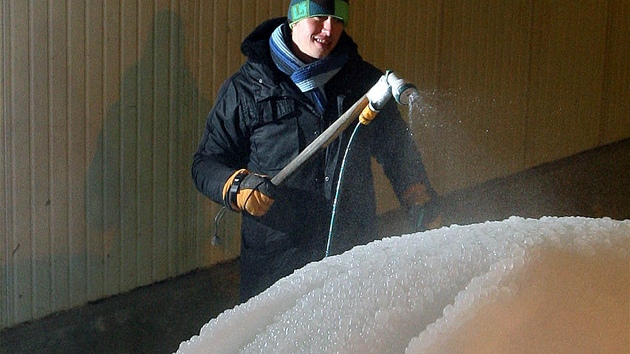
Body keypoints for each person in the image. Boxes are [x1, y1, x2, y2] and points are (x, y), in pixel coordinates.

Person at [192, 0, 441, 302]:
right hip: (277, 263)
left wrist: (419, 198)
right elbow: (206, 163)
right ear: (295, 18)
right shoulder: (247, 89)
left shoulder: (363, 83)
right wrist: (236, 187)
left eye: (338, 20)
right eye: (319, 17)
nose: (329, 29)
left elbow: (399, 153)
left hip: (351, 253)